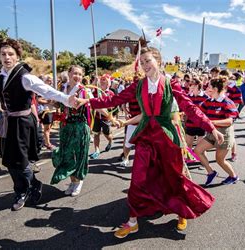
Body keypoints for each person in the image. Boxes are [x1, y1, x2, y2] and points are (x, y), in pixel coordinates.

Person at [73, 40, 223, 238]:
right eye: (142, 62)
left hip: (167, 138)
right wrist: (88, 101)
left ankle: (181, 211)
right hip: (145, 137)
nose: (145, 65)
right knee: (138, 178)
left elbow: (190, 108)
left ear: (158, 61)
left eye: (148, 60)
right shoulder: (138, 85)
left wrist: (210, 126)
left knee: (174, 177)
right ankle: (132, 221)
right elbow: (113, 100)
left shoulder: (171, 84)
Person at [0, 38, 74, 211]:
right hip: (8, 122)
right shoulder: (0, 78)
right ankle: (26, 187)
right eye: (3, 54)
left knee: (21, 161)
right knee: (8, 159)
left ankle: (27, 187)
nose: (7, 57)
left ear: (17, 57)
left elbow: (47, 90)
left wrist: (68, 99)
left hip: (23, 123)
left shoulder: (25, 76)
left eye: (10, 54)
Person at [51, 65, 95, 196]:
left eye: (80, 74)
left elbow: (96, 103)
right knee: (67, 155)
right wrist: (53, 102)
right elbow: (58, 103)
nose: (78, 76)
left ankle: (78, 181)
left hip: (80, 126)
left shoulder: (84, 90)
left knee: (79, 154)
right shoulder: (62, 88)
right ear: (69, 73)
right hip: (65, 126)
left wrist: (110, 117)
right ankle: (73, 181)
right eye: (75, 73)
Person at [195, 77, 239, 186]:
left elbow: (230, 121)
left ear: (215, 89)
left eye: (209, 86)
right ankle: (211, 172)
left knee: (219, 160)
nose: (206, 88)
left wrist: (211, 122)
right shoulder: (209, 101)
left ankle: (233, 176)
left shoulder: (227, 102)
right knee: (197, 150)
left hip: (224, 134)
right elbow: (198, 112)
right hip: (212, 133)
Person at [89, 74, 117, 159]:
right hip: (96, 117)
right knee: (96, 134)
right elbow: (88, 92)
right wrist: (94, 82)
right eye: (101, 79)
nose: (102, 81)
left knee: (107, 134)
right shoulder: (95, 91)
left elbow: (112, 106)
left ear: (108, 83)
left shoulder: (111, 93)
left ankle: (110, 141)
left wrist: (105, 100)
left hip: (106, 117)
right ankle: (97, 150)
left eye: (104, 80)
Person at [185, 78, 209, 148]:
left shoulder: (206, 97)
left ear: (199, 86)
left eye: (193, 85)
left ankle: (199, 159)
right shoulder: (188, 96)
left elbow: (208, 111)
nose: (191, 87)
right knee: (188, 145)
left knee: (200, 147)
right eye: (190, 85)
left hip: (202, 125)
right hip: (190, 124)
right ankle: (190, 158)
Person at [36, 75, 56, 150]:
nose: (51, 82)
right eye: (49, 80)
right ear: (45, 81)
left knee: (48, 128)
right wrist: (48, 101)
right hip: (45, 111)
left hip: (51, 110)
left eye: (51, 80)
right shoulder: (42, 89)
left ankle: (45, 142)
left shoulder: (50, 88)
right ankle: (48, 144)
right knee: (46, 128)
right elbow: (38, 99)